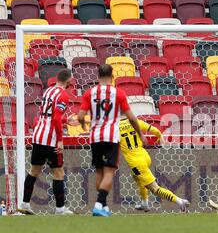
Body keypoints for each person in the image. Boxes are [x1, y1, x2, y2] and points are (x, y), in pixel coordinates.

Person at [78, 64, 145, 217]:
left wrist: (82, 124)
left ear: (97, 76)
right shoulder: (118, 94)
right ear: (112, 76)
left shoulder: (90, 93)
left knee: (99, 171)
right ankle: (98, 204)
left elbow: (81, 116)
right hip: (111, 136)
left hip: (95, 137)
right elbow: (132, 118)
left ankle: (104, 207)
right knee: (109, 172)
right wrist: (140, 134)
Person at [18, 69, 74, 215]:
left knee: (34, 171)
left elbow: (49, 115)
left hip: (38, 136)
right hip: (51, 139)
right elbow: (55, 118)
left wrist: (66, 120)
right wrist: (60, 141)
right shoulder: (63, 95)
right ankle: (60, 209)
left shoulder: (48, 91)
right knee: (58, 173)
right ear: (68, 81)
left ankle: (24, 204)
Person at [119, 117, 190, 212]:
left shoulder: (115, 128)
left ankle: (180, 201)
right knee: (136, 176)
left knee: (154, 188)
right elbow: (155, 130)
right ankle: (144, 203)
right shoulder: (136, 122)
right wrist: (160, 138)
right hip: (144, 156)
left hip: (136, 161)